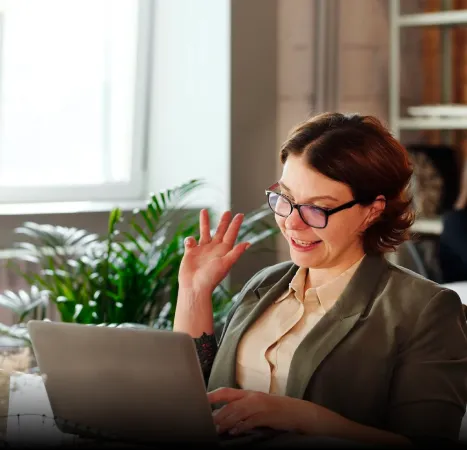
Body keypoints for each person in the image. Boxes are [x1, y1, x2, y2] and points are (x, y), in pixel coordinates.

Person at [173, 113, 467, 448]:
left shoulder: (424, 309)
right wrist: (194, 292)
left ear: (372, 210)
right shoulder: (265, 285)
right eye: (285, 199)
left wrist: (303, 418)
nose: (292, 223)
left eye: (318, 209)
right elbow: (197, 393)